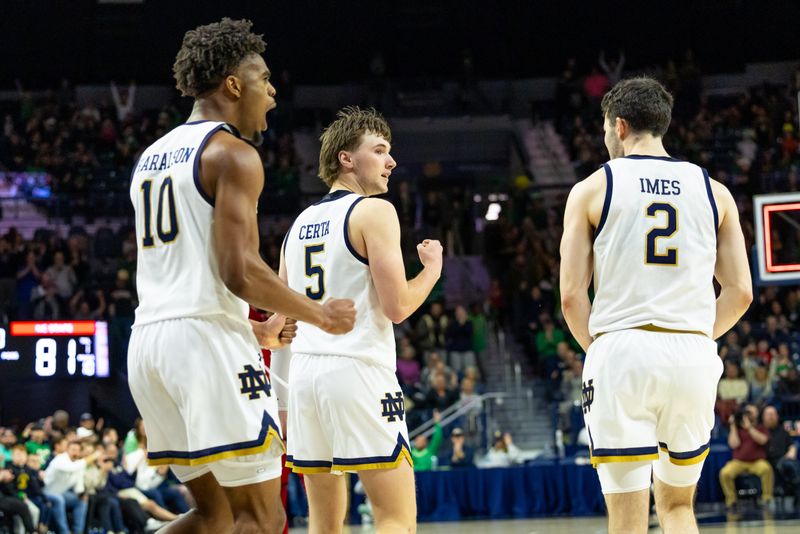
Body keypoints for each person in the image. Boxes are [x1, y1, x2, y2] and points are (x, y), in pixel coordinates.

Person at [126, 18, 356, 534]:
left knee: (214, 516)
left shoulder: (150, 157)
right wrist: (319, 314)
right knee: (261, 515)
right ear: (234, 84)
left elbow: (182, 278)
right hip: (203, 349)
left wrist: (250, 330)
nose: (273, 93)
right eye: (265, 79)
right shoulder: (233, 153)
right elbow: (240, 270)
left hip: (150, 346)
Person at [559, 77, 752, 534]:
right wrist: (693, 334)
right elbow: (740, 292)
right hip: (691, 353)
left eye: (606, 128)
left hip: (621, 351)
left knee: (626, 519)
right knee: (679, 508)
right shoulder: (715, 191)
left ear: (620, 126)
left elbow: (571, 295)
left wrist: (600, 347)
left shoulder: (591, 188)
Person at [274, 106, 443, 533]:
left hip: (305, 378)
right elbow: (398, 306)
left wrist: (283, 401)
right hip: (357, 371)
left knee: (324, 525)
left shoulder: (298, 225)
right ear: (346, 159)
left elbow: (282, 322)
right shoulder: (374, 211)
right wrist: (432, 271)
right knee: (396, 519)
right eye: (380, 150)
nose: (391, 162)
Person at [718, 404, 773, 510]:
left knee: (766, 469)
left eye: (751, 412)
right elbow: (733, 444)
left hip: (757, 461)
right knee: (725, 473)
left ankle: (767, 498)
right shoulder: (737, 429)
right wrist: (733, 426)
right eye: (747, 412)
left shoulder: (761, 427)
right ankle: (731, 500)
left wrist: (750, 428)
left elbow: (763, 440)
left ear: (757, 414)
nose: (748, 415)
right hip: (739, 462)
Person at [762, 406, 800, 507]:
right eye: (768, 414)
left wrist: (793, 449)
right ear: (763, 417)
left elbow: (792, 444)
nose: (771, 417)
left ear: (777, 416)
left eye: (773, 414)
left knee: (791, 464)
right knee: (790, 466)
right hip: (766, 460)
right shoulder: (759, 430)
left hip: (782, 460)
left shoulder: (783, 431)